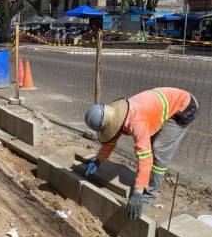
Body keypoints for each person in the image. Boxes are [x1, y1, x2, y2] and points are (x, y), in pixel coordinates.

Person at [84, 88, 199, 220]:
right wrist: (98, 160)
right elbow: (110, 141)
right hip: (165, 103)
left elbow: (145, 157)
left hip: (185, 107)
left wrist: (138, 192)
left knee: (158, 151)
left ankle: (150, 196)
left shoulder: (136, 122)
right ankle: (146, 183)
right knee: (149, 142)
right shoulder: (116, 114)